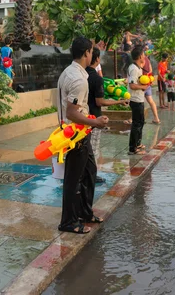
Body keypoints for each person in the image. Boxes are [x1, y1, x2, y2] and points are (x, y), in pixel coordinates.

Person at [57, 37, 109, 235]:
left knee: (89, 172)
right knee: (73, 179)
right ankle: (68, 221)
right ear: (87, 52)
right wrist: (95, 121)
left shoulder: (71, 72)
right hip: (74, 135)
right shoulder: (78, 79)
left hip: (80, 133)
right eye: (92, 52)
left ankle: (85, 213)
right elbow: (71, 112)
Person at [87, 47, 128, 184]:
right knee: (93, 149)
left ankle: (85, 174)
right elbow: (100, 101)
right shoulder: (97, 79)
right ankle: (91, 176)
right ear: (97, 59)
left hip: (82, 117)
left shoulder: (82, 74)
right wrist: (120, 100)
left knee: (85, 149)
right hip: (94, 119)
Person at [128, 46, 150, 155]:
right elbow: (132, 85)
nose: (145, 57)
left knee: (141, 122)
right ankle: (133, 148)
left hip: (139, 99)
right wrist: (142, 87)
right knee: (137, 123)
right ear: (140, 56)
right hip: (135, 100)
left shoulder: (139, 68)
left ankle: (138, 143)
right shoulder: (134, 69)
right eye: (144, 54)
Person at [142, 46, 161, 124]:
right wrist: (147, 76)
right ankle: (156, 118)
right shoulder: (147, 59)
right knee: (151, 101)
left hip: (142, 84)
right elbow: (150, 70)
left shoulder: (141, 59)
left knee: (138, 102)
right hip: (148, 82)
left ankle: (133, 119)